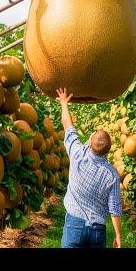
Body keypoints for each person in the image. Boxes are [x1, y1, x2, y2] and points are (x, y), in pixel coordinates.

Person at [55, 87, 122, 248]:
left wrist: (64, 103)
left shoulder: (78, 154)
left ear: (90, 142)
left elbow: (68, 126)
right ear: (109, 149)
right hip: (97, 230)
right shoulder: (112, 175)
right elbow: (114, 208)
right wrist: (118, 235)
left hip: (74, 225)